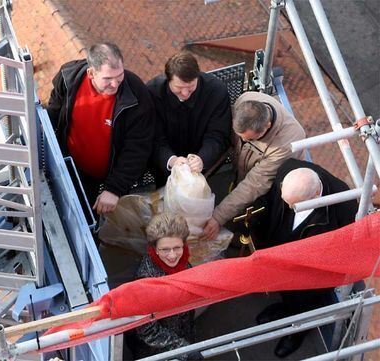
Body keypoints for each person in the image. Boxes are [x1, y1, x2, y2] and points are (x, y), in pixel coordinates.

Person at [249, 158, 358, 357]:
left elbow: (340, 252)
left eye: (294, 205)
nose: (288, 206)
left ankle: (298, 330)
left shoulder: (344, 207)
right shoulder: (289, 170)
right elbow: (271, 201)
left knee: (303, 301)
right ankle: (286, 308)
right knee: (286, 289)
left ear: (317, 195)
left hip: (310, 272)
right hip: (282, 255)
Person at [46, 42, 155, 215]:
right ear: (91, 73)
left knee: (83, 218)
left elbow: (138, 148)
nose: (115, 84)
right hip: (67, 163)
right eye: (108, 79)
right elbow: (53, 112)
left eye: (119, 76)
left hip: (104, 178)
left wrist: (114, 189)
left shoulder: (136, 94)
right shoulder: (68, 77)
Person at [202, 91, 306, 240]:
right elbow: (228, 141)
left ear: (267, 126)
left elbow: (254, 184)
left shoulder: (286, 143)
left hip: (267, 186)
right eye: (240, 136)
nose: (243, 140)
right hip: (244, 166)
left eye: (250, 139)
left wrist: (218, 217)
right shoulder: (246, 100)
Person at [147, 51, 232, 186]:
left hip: (205, 168)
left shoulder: (216, 91)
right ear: (168, 80)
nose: (185, 94)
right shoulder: (152, 93)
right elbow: (151, 136)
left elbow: (218, 134)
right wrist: (171, 160)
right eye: (179, 88)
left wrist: (202, 158)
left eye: (191, 87)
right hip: (164, 168)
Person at [130, 213, 202, 360]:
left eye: (177, 248)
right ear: (154, 248)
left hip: (184, 333)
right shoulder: (146, 279)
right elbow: (147, 330)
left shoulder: (183, 263)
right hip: (159, 351)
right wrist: (183, 349)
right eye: (165, 249)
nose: (172, 255)